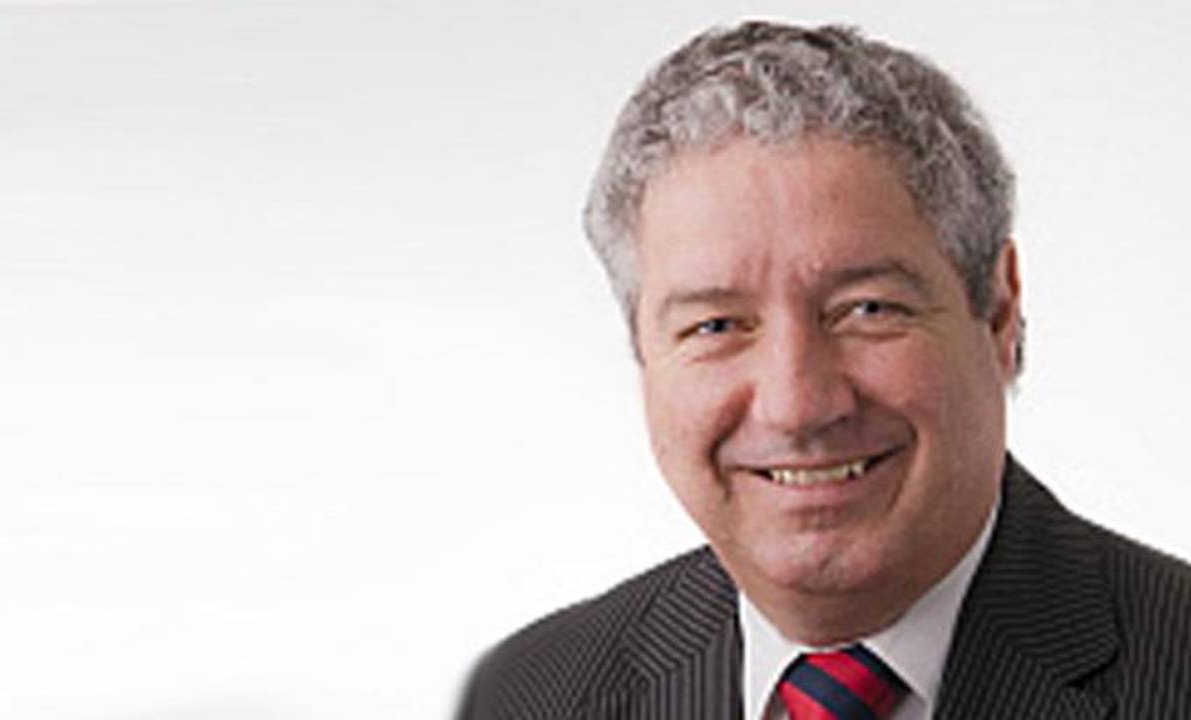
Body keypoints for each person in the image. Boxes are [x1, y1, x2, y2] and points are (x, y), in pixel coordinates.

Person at [457, 20, 1191, 720]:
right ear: (642, 350)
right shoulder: (531, 695)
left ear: (999, 311)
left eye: (867, 309)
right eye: (716, 326)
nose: (796, 404)